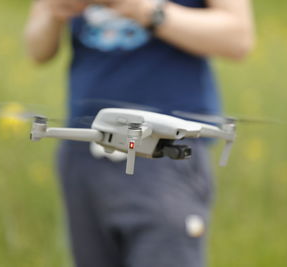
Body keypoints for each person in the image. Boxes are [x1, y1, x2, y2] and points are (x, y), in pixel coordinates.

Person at [24, 0, 254, 266]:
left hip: (164, 154)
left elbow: (238, 38)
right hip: (83, 155)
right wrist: (56, 10)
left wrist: (144, 10)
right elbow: (37, 49)